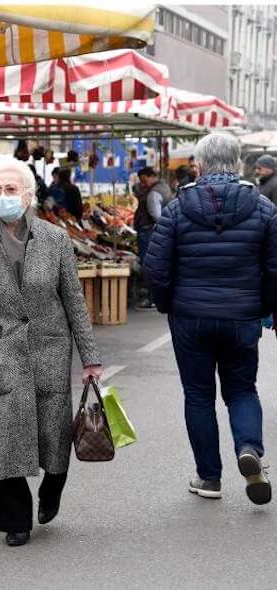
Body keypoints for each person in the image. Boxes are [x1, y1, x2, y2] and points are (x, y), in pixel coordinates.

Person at [0, 160, 101, 547]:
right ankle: (15, 521)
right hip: (4, 353)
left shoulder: (54, 240)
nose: (3, 197)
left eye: (10, 189)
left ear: (28, 195)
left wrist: (90, 358)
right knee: (5, 441)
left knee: (54, 438)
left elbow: (73, 301)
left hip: (50, 351)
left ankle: (53, 486)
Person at [144, 132, 277, 505]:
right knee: (242, 390)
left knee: (199, 396)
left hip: (190, 318)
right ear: (238, 165)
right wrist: (261, 306)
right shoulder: (264, 208)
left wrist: (168, 304)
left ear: (199, 166)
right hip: (241, 317)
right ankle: (249, 449)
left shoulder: (176, 209)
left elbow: (155, 268)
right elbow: (274, 267)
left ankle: (209, 478)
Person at [133, 167, 172, 309]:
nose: (143, 184)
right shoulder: (165, 187)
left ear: (152, 177)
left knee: (148, 264)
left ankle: (151, 298)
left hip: (148, 231)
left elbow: (156, 215)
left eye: (144, 180)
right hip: (156, 232)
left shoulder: (153, 193)